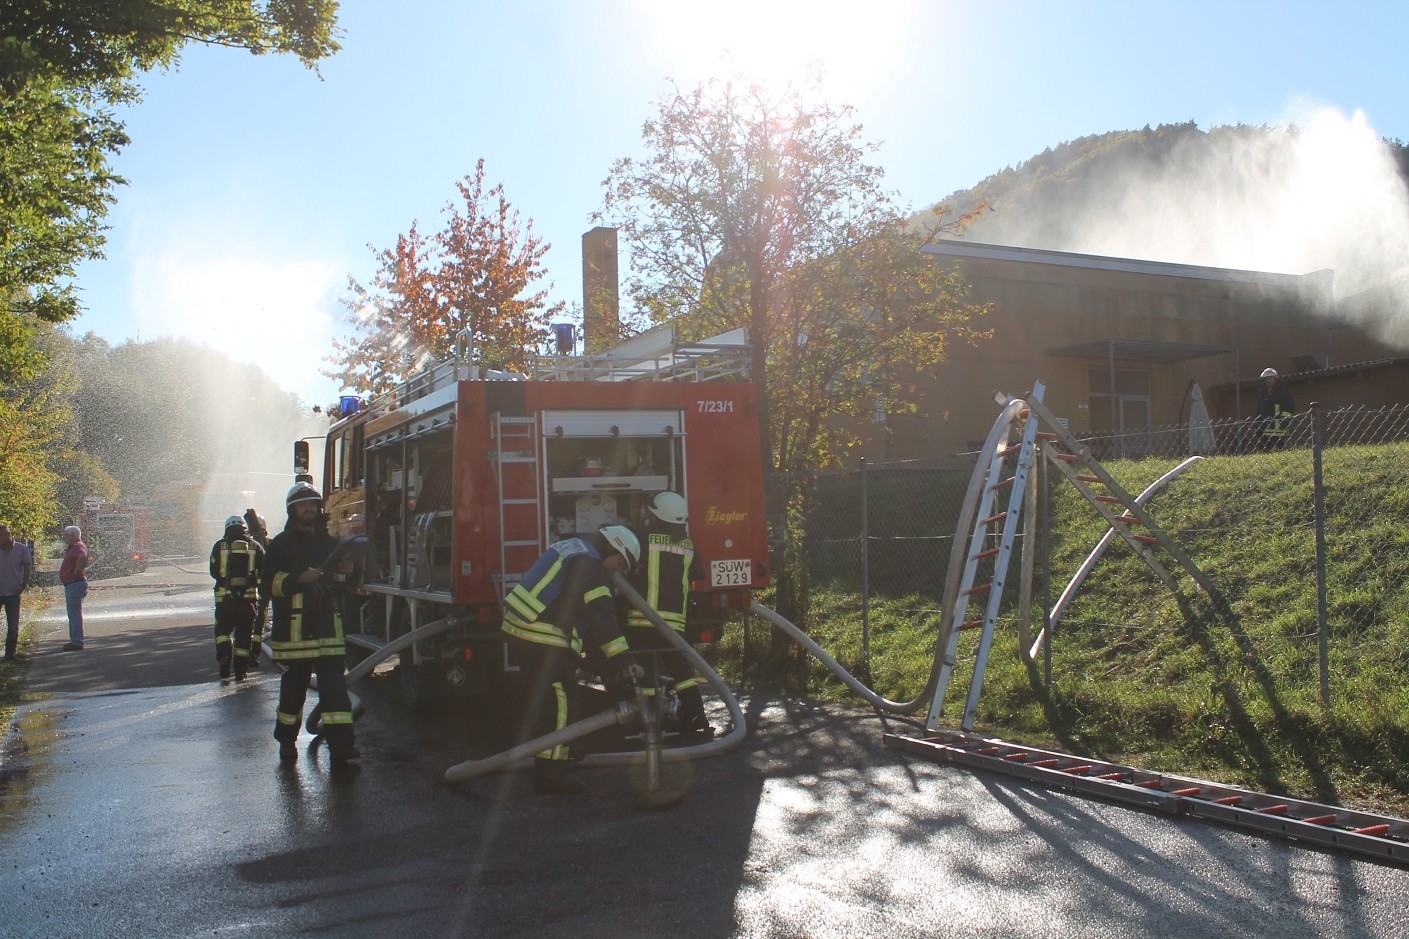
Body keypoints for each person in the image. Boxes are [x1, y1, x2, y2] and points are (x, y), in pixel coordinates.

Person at [502, 525, 643, 794]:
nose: (618, 571)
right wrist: (625, 660)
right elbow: (600, 615)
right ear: (612, 547)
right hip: (541, 632)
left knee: (549, 703)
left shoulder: (576, 548)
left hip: (523, 627)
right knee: (563, 699)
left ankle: (557, 754)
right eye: (621, 563)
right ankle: (551, 776)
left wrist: (606, 664)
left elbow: (583, 618)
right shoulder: (590, 564)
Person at [264, 482, 361, 762]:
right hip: (296, 635)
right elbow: (269, 584)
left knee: (336, 696)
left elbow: (354, 584)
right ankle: (286, 743)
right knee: (292, 695)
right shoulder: (280, 545)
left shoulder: (332, 545)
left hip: (328, 632)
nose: (308, 509)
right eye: (302, 505)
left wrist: (351, 571)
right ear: (292, 510)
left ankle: (342, 748)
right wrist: (299, 579)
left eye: (312, 504)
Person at [623, 492, 713, 738]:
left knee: (643, 669)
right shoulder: (688, 546)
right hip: (674, 623)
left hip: (642, 620)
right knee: (683, 673)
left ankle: (647, 722)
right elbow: (698, 573)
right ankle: (696, 718)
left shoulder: (642, 539)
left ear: (657, 517)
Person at [210, 515, 264, 681]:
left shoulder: (219, 546)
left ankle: (225, 655)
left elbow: (213, 572)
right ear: (244, 528)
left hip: (224, 599)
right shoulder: (255, 546)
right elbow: (263, 573)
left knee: (222, 631)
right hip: (248, 601)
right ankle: (241, 671)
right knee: (244, 635)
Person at [0, 524, 32, 662]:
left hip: (13, 593)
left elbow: (27, 568)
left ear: (8, 535)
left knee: (13, 625)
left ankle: (9, 654)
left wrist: (23, 586)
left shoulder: (21, 549)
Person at [243, 507, 270, 668]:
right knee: (258, 625)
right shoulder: (267, 545)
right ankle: (252, 655)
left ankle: (244, 654)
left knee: (246, 624)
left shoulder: (243, 545)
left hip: (246, 592)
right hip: (262, 592)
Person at [58, 526, 90, 651]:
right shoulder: (75, 546)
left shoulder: (77, 546)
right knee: (74, 613)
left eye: (66, 536)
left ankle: (77, 641)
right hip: (73, 584)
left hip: (75, 584)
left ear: (73, 535)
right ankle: (75, 640)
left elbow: (82, 556)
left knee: (74, 614)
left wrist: (77, 568)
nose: (65, 538)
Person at [1256, 367, 1297, 451]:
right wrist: (1257, 424)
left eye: (1270, 378)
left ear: (1275, 379)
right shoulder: (1264, 393)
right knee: (1264, 451)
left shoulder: (1283, 391)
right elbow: (1259, 409)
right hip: (1264, 429)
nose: (1268, 381)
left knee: (1279, 450)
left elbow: (1290, 407)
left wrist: (1283, 420)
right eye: (1266, 379)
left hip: (1279, 429)